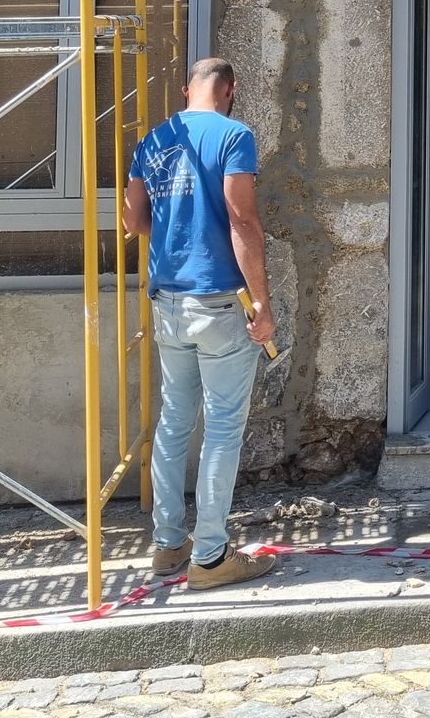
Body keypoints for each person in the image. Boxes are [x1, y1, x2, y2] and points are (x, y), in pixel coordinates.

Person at [123, 56, 278, 591]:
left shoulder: (153, 139)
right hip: (219, 302)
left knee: (173, 422)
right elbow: (243, 219)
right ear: (230, 90)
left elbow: (134, 219)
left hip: (168, 299)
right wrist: (262, 302)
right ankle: (211, 558)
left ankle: (168, 546)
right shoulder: (234, 136)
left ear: (186, 88)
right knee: (224, 428)